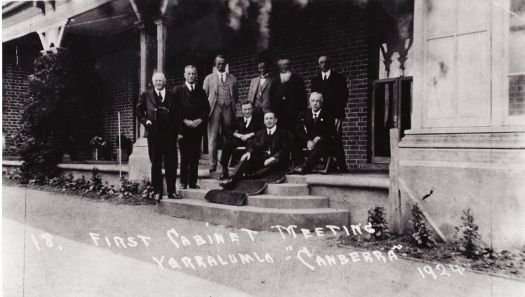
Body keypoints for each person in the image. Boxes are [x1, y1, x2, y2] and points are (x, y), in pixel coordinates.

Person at [136, 72, 182, 201]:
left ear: (164, 81)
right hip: (154, 133)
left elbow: (178, 114)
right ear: (152, 82)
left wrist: (179, 132)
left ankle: (171, 191)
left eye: (161, 80)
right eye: (156, 80)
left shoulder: (172, 95)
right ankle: (157, 192)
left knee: (171, 163)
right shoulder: (146, 95)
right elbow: (139, 111)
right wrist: (146, 121)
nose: (158, 83)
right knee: (155, 163)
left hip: (170, 134)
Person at [220, 112, 289, 189]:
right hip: (264, 159)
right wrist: (248, 152)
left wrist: (272, 158)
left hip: (276, 159)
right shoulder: (260, 133)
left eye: (271, 118)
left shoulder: (283, 133)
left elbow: (284, 149)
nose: (269, 121)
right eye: (266, 119)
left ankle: (254, 175)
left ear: (275, 120)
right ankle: (232, 179)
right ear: (264, 121)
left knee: (277, 162)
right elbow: (255, 145)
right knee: (246, 158)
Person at [310, 55, 349, 172]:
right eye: (321, 63)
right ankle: (328, 164)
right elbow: (314, 98)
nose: (324, 65)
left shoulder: (338, 77)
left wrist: (339, 115)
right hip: (321, 115)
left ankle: (342, 165)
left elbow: (344, 96)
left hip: (334, 114)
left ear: (330, 63)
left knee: (336, 138)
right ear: (319, 65)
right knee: (322, 138)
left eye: (326, 62)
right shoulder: (315, 80)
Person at [174, 65, 210, 189]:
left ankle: (193, 182)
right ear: (184, 75)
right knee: (184, 156)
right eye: (189, 73)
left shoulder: (201, 91)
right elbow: (175, 109)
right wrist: (184, 120)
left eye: (193, 74)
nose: (191, 76)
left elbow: (207, 109)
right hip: (183, 129)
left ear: (196, 75)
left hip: (197, 128)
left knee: (195, 155)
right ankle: (183, 182)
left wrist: (200, 120)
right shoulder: (178, 90)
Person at [203, 55, 238, 174]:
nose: (220, 66)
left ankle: (226, 163)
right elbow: (204, 96)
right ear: (215, 64)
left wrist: (231, 106)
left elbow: (235, 96)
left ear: (226, 64)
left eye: (223, 64)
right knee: (212, 136)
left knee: (228, 136)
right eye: (218, 64)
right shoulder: (209, 78)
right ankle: (212, 164)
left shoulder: (232, 78)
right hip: (214, 109)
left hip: (228, 108)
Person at [292, 92, 335, 174]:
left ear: (321, 103)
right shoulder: (303, 114)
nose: (315, 103)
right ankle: (299, 164)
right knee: (293, 138)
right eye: (313, 101)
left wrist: (320, 137)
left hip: (323, 143)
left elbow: (331, 132)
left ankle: (306, 168)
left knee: (320, 142)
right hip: (307, 141)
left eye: (317, 101)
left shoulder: (327, 115)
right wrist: (308, 140)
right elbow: (299, 130)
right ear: (309, 102)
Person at [219, 101, 264, 180]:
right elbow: (226, 130)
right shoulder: (238, 120)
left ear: (252, 109)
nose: (247, 111)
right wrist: (238, 135)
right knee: (227, 143)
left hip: (252, 142)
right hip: (240, 141)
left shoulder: (258, 119)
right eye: (245, 109)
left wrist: (251, 134)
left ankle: (246, 171)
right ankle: (225, 170)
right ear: (242, 111)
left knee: (251, 142)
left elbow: (263, 131)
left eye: (249, 109)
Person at [269, 58, 307, 130]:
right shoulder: (274, 80)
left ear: (289, 66)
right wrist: (273, 111)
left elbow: (303, 96)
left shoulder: (297, 78)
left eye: (286, 65)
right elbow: (271, 97)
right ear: (279, 67)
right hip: (279, 113)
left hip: (294, 112)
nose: (284, 67)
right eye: (281, 65)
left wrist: (302, 112)